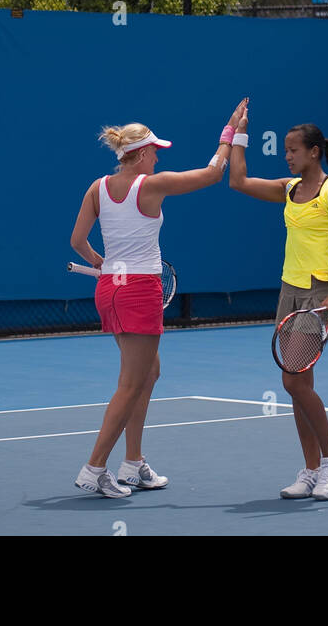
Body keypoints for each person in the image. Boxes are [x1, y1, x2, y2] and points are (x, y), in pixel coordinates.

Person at [70, 105, 240, 499]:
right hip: (138, 289)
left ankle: (132, 463)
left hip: (109, 289)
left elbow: (78, 241)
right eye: (155, 151)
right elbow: (215, 173)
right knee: (131, 384)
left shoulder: (97, 187)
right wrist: (229, 131)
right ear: (142, 153)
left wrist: (104, 265)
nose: (159, 157)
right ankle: (94, 469)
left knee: (147, 374)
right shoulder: (152, 184)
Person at [229, 106, 328, 501]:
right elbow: (237, 181)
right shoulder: (288, 189)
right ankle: (311, 469)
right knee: (299, 386)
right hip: (289, 293)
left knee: (292, 380)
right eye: (285, 150)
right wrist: (238, 133)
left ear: (314, 152)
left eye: (293, 150)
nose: (287, 156)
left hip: (319, 295)